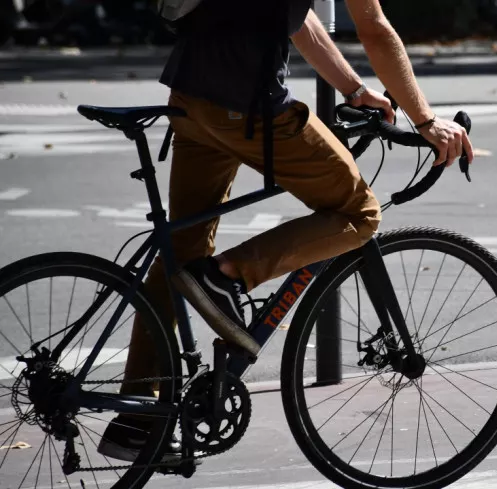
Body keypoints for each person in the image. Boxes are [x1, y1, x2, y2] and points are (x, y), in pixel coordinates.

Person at [97, 0, 474, 462]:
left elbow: (298, 18)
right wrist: (425, 120)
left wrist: (353, 89)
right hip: (249, 105)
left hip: (191, 99)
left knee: (180, 252)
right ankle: (228, 275)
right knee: (359, 213)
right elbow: (374, 28)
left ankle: (137, 420)